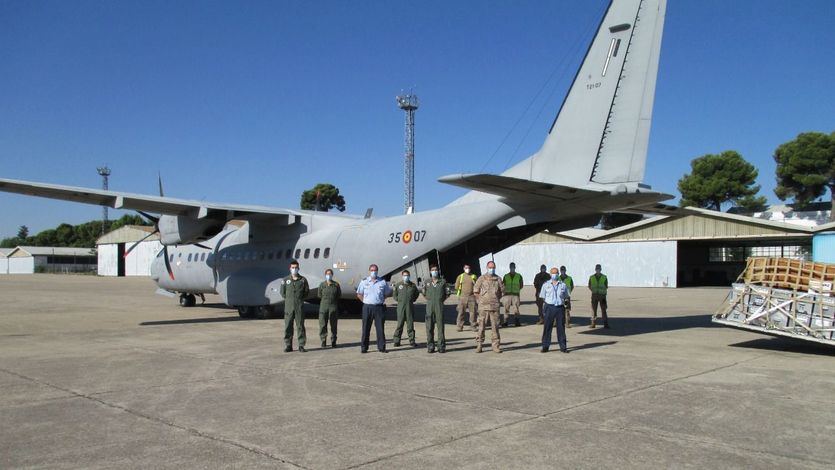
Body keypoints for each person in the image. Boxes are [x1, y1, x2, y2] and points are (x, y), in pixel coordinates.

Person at [356, 264, 393, 353]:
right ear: (369, 271)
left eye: (375, 270)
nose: (374, 272)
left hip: (379, 307)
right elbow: (359, 294)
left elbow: (387, 293)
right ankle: (364, 347)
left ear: (377, 271)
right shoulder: (364, 282)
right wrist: (365, 302)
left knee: (380, 328)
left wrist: (379, 300)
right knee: (365, 328)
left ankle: (382, 347)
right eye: (372, 270)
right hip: (367, 307)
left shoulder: (382, 282)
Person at [473, 260, 504, 353]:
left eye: (493, 267)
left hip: (495, 306)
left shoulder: (498, 279)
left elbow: (502, 291)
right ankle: (479, 345)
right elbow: (476, 291)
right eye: (490, 267)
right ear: (487, 268)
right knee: (481, 326)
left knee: (495, 327)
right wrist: (480, 301)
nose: (492, 269)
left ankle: (495, 346)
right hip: (483, 307)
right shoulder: (481, 278)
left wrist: (496, 299)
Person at [279, 260, 309, 353]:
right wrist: (289, 300)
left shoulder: (303, 280)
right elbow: (282, 293)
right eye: (292, 268)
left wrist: (299, 300)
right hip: (289, 307)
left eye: (296, 268)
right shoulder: (285, 280)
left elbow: (306, 292)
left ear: (298, 268)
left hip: (299, 307)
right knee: (288, 326)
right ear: (290, 268)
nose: (294, 269)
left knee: (300, 326)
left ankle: (301, 345)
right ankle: (288, 345)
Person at [539, 267, 570, 353]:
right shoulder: (546, 285)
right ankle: (545, 346)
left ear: (558, 274)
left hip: (560, 308)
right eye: (553, 273)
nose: (554, 275)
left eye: (556, 273)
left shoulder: (563, 285)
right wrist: (548, 304)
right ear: (550, 274)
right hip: (549, 307)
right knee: (547, 327)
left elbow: (566, 296)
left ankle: (563, 347)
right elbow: (543, 297)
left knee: (561, 328)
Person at [423, 265, 449, 353]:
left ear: (438, 271)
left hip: (439, 307)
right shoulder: (427, 282)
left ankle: (441, 346)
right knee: (429, 328)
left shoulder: (443, 282)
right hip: (429, 307)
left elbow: (447, 293)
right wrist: (430, 300)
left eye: (436, 270)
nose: (434, 271)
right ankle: (430, 346)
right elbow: (424, 293)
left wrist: (440, 300)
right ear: (430, 271)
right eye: (433, 270)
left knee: (440, 328)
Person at [393, 269, 419, 348]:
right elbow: (395, 295)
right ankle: (397, 341)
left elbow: (416, 294)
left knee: (410, 325)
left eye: (407, 275)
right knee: (400, 324)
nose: (406, 277)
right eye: (404, 275)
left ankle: (412, 341)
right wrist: (400, 300)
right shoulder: (398, 285)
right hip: (401, 307)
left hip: (409, 307)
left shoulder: (413, 285)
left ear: (409, 276)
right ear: (402, 276)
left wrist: (412, 300)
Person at [317, 268, 341, 348]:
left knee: (333, 325)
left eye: (330, 274)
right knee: (323, 324)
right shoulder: (322, 285)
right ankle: (323, 340)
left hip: (333, 307)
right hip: (323, 307)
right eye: (327, 274)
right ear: (325, 275)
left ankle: (333, 341)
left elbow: (338, 295)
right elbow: (319, 295)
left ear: (332, 275)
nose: (329, 275)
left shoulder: (336, 285)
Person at [455, 264, 478, 332]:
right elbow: (456, 286)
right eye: (466, 268)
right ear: (463, 268)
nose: (467, 269)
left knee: (473, 312)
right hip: (463, 297)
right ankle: (459, 326)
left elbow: (477, 285)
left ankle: (473, 326)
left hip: (472, 297)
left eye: (468, 268)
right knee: (461, 312)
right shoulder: (460, 276)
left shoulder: (474, 276)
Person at [502, 262, 524, 327]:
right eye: (511, 266)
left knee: (516, 309)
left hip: (515, 295)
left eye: (513, 266)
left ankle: (517, 322)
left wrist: (516, 290)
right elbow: (503, 285)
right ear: (509, 267)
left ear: (515, 267)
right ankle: (505, 322)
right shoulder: (506, 276)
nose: (512, 268)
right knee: (506, 309)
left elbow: (521, 285)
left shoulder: (519, 276)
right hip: (507, 295)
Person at [588, 263, 609, 329]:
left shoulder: (604, 277)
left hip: (602, 296)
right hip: (594, 295)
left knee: (603, 310)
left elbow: (606, 286)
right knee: (593, 310)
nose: (598, 270)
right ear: (595, 270)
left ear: (601, 269)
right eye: (597, 269)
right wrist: (593, 291)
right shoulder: (592, 277)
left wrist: (602, 291)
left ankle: (605, 324)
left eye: (599, 269)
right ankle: (593, 323)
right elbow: (589, 285)